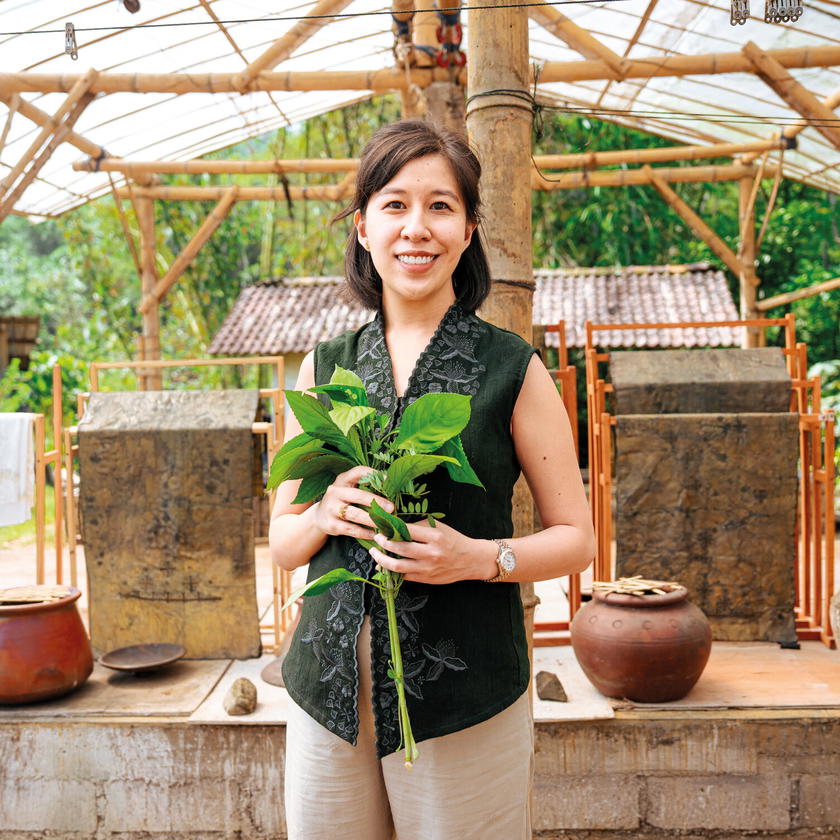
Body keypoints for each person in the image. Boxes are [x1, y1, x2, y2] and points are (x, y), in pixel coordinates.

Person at [269, 119, 594, 840]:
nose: (417, 228)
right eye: (394, 204)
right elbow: (284, 543)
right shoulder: (322, 369)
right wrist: (323, 514)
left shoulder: (514, 369)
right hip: (328, 694)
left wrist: (480, 558)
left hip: (464, 696)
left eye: (441, 206)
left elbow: (578, 540)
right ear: (362, 227)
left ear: (470, 228)